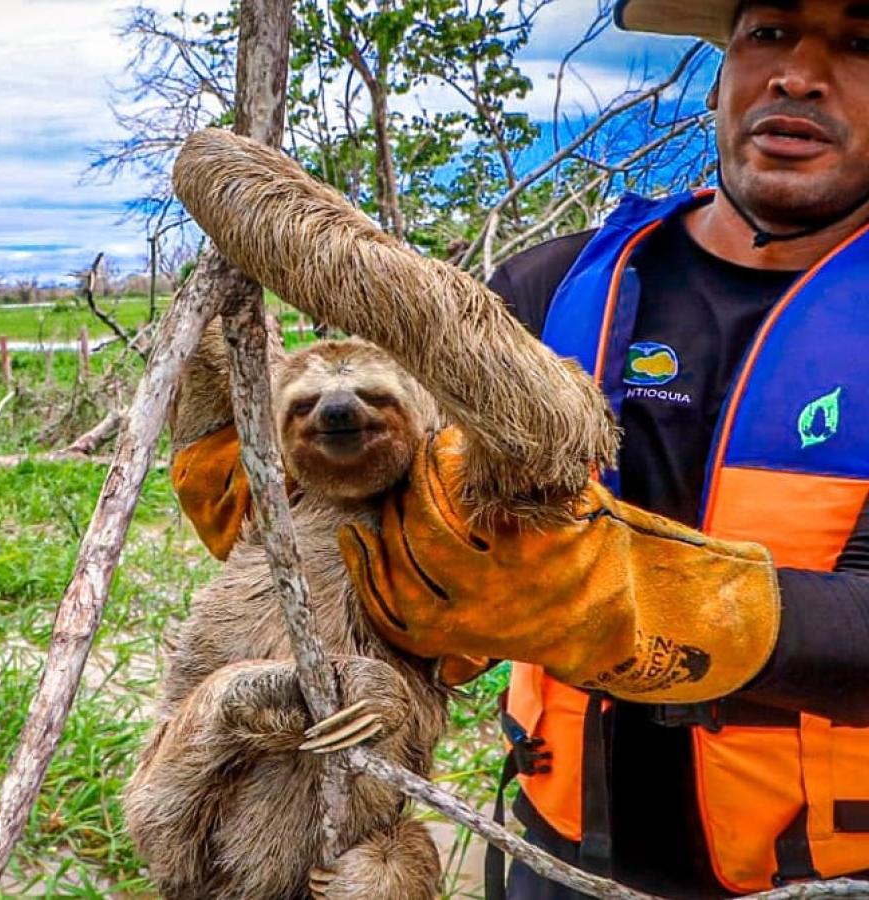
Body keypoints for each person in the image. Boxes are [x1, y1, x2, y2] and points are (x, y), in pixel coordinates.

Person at [171, 0, 869, 895]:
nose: (798, 74)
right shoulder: (553, 286)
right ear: (722, 68)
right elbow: (405, 546)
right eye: (767, 33)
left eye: (859, 42)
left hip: (833, 865)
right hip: (555, 841)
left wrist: (617, 600)